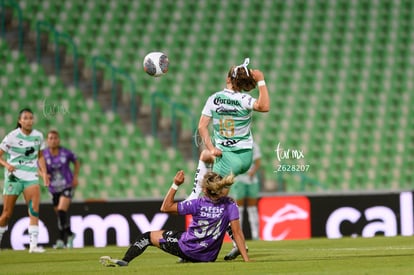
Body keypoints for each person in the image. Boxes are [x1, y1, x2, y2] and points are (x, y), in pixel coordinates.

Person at [186, 58, 269, 260]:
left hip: (225, 156)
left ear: (228, 78)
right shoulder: (244, 100)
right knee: (218, 199)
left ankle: (196, 246)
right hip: (244, 157)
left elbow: (201, 126)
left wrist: (212, 146)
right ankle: (237, 244)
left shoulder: (214, 99)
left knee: (207, 202)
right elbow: (264, 106)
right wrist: (261, 81)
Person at [99, 170, 250, 267]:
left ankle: (125, 260)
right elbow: (237, 233)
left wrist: (175, 184)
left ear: (205, 189)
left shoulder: (196, 204)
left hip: (188, 248)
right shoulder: (230, 204)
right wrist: (246, 261)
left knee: (147, 237)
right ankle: (186, 258)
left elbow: (165, 207)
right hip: (209, 256)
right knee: (186, 233)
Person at [0, 108, 49, 253]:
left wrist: (44, 173)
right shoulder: (12, 136)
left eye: (31, 118)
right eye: (26, 118)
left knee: (34, 210)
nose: (29, 120)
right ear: (20, 121)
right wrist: (7, 164)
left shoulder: (38, 136)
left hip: (31, 178)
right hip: (13, 178)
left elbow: (40, 156)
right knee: (7, 214)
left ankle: (33, 246)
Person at [43, 130, 80, 249]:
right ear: (47, 141)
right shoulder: (43, 154)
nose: (53, 140)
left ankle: (60, 240)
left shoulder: (65, 152)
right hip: (53, 188)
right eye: (50, 138)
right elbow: (38, 168)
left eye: (55, 138)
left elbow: (76, 161)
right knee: (60, 215)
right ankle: (70, 234)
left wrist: (75, 177)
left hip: (67, 185)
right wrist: (43, 175)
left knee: (61, 210)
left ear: (58, 140)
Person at [230, 142, 262, 241]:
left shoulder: (253, 145)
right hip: (239, 179)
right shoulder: (234, 144)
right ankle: (238, 236)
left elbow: (258, 161)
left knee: (252, 208)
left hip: (251, 179)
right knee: (239, 209)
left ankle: (256, 235)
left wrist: (252, 172)